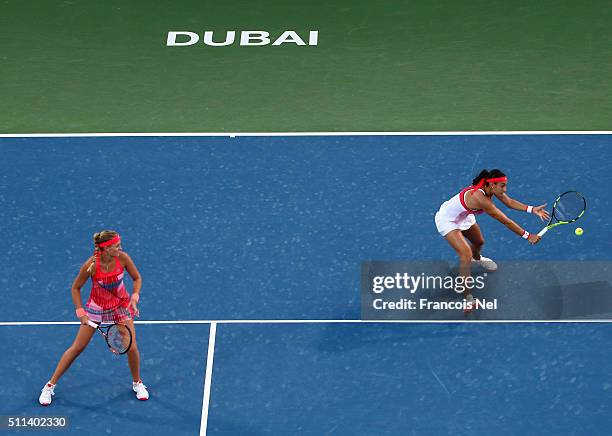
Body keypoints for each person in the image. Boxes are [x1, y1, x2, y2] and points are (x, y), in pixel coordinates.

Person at [39, 231, 148, 405]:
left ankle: (137, 383)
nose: (120, 249)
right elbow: (76, 288)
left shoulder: (123, 258)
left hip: (121, 307)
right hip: (96, 309)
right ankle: (49, 386)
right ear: (105, 248)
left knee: (132, 348)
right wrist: (80, 312)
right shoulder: (91, 265)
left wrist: (134, 296)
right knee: (77, 348)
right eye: (117, 246)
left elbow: (137, 278)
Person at [435, 169, 549, 310]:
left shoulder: (491, 188)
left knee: (479, 242)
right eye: (502, 186)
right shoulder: (479, 198)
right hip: (448, 220)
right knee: (465, 254)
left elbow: (510, 202)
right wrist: (527, 235)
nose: (505, 189)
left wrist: (532, 209)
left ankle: (477, 259)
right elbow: (505, 220)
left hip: (464, 216)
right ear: (491, 185)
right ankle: (467, 298)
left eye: (505, 185)